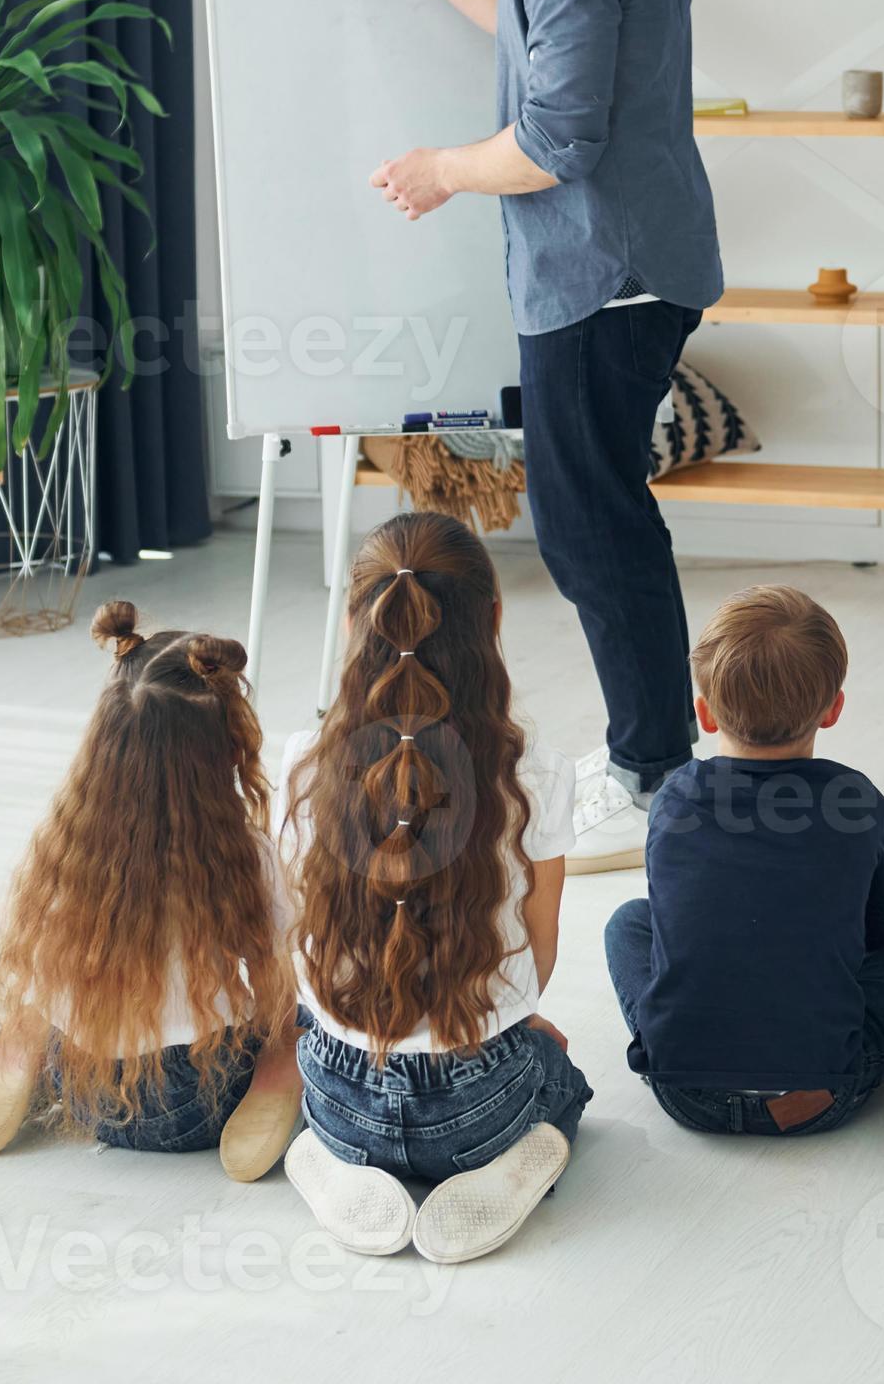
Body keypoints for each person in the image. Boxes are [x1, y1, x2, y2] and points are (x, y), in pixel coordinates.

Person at [342, 0, 723, 873]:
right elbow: (535, 19)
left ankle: (657, 774)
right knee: (600, 516)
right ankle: (663, 762)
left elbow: (557, 138)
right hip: (628, 260)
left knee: (591, 526)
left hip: (601, 270)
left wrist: (440, 169)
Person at [278, 513, 588, 1266]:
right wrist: (509, 1017)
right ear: (493, 621)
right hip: (481, 1105)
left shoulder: (305, 765)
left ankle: (323, 1156)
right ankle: (509, 1166)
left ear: (356, 621)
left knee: (304, 1026)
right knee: (562, 1079)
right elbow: (538, 958)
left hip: (340, 1094)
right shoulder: (536, 772)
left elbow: (304, 944)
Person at [0, 601, 302, 1180]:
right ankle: (279, 1074)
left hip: (88, 1093)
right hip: (200, 1101)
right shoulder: (243, 854)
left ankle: (30, 1037)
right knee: (307, 1003)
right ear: (222, 746)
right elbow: (283, 965)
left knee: (58, 975)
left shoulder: (67, 842)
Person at [603, 586, 884, 1135]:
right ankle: (858, 1063)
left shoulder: (674, 797)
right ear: (834, 708)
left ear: (706, 714)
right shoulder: (853, 800)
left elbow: (674, 914)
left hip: (685, 1090)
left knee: (628, 922)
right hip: (818, 1093)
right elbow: (883, 927)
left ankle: (680, 1046)